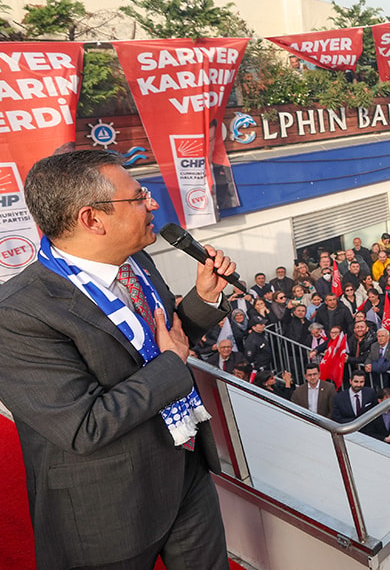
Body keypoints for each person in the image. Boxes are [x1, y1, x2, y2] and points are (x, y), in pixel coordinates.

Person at [0, 150, 236, 569]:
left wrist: (204, 297)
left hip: (185, 472)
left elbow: (162, 342)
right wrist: (171, 365)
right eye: (139, 196)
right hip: (105, 512)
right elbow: (84, 426)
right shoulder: (17, 313)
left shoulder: (136, 261)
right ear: (92, 219)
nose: (154, 203)